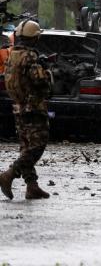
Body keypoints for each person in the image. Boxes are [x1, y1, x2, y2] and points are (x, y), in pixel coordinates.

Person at [0, 20, 52, 200]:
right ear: (35, 37)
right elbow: (42, 82)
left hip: (18, 107)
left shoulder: (12, 55)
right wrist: (47, 70)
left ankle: (32, 185)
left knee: (26, 146)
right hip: (33, 108)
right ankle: (9, 174)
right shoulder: (30, 57)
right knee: (37, 146)